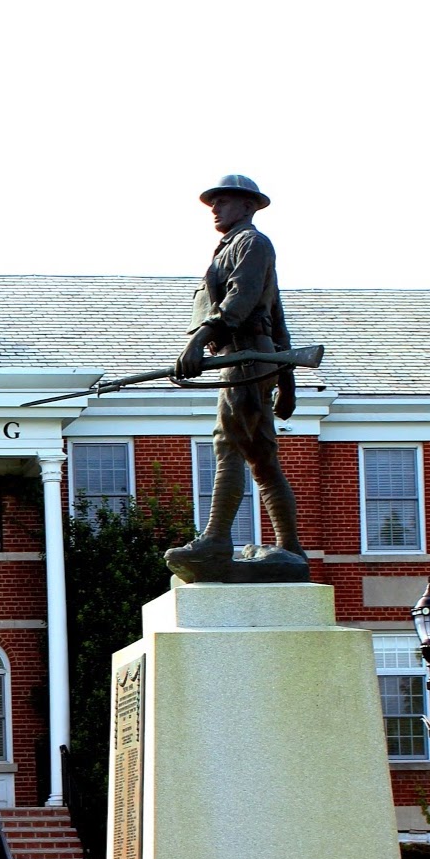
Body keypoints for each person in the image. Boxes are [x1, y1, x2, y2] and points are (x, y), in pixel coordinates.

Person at [164, 174, 307, 580]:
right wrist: (286, 378)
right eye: (214, 202)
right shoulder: (234, 246)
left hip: (244, 359)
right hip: (247, 359)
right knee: (260, 457)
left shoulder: (252, 243)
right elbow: (277, 317)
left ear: (247, 206)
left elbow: (242, 302)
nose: (215, 208)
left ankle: (215, 539)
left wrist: (198, 343)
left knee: (228, 446)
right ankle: (290, 548)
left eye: (223, 201)